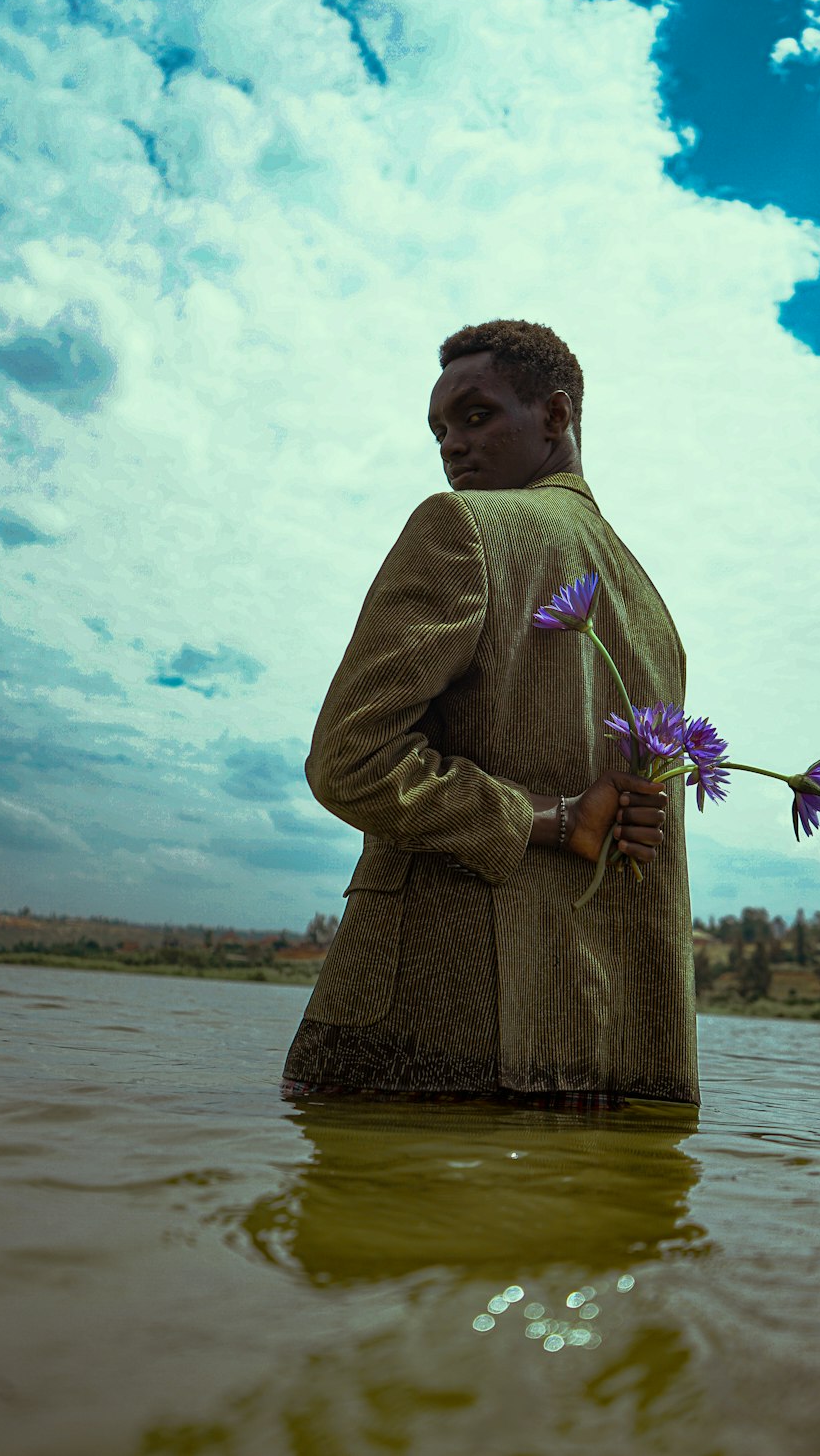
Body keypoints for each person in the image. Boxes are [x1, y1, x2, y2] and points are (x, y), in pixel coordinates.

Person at [282, 320, 698, 1107]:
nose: (450, 447)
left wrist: (551, 817)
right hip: (610, 1050)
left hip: (430, 1024)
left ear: (555, 415)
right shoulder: (654, 615)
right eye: (439, 430)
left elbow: (351, 762)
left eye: (475, 417)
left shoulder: (463, 528)